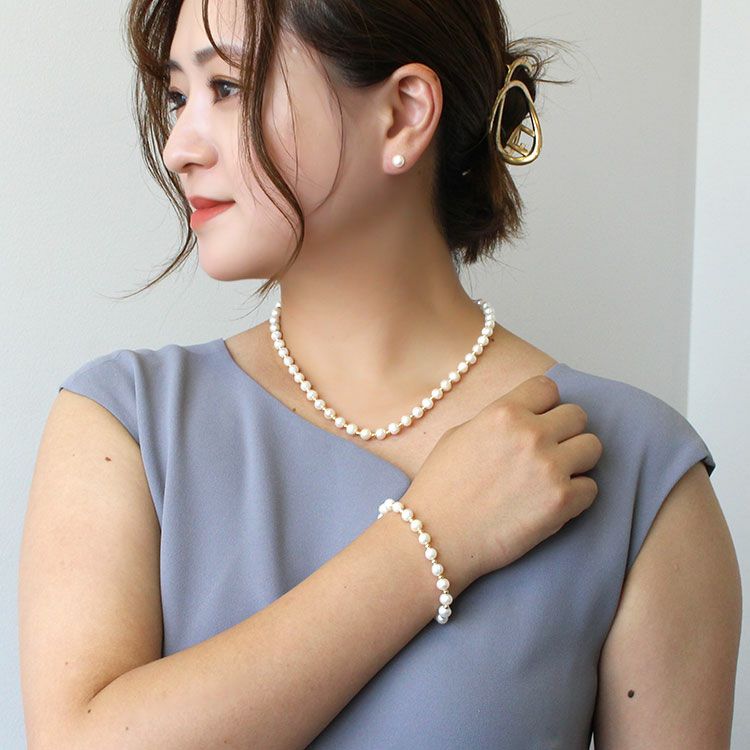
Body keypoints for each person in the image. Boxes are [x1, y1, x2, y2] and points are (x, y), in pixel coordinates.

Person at [19, 0, 741, 748]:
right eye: (178, 96)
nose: (178, 148)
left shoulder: (635, 470)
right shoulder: (125, 425)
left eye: (226, 87)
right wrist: (429, 542)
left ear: (402, 115)